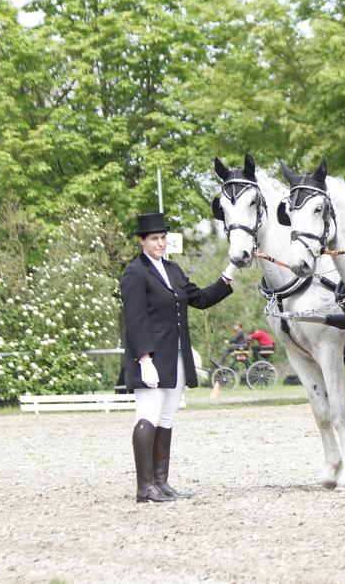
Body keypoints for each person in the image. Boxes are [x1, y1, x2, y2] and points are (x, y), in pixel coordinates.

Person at [120, 212, 239, 502]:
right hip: (151, 358)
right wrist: (144, 360)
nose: (160, 243)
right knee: (148, 416)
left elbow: (201, 299)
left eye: (163, 238)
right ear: (142, 241)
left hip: (176, 356)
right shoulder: (134, 273)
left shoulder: (173, 270)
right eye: (154, 239)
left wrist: (231, 270)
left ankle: (161, 483)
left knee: (167, 417)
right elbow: (134, 320)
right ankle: (144, 488)